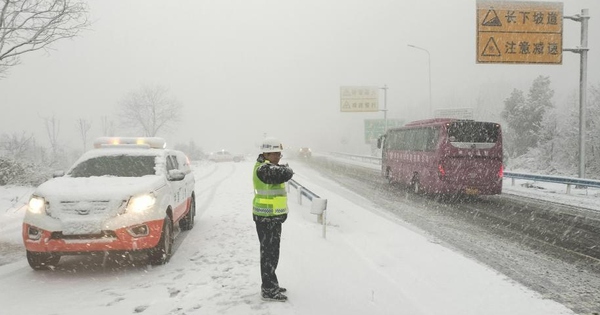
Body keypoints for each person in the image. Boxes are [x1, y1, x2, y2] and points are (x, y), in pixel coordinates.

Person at [252, 137, 294, 302]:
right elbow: (284, 173)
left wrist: (284, 168)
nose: (278, 157)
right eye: (275, 154)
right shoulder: (263, 169)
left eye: (279, 154)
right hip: (266, 217)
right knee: (269, 254)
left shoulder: (268, 166)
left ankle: (271, 284)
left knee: (272, 253)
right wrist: (287, 169)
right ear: (266, 153)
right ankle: (269, 289)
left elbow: (282, 172)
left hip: (271, 218)